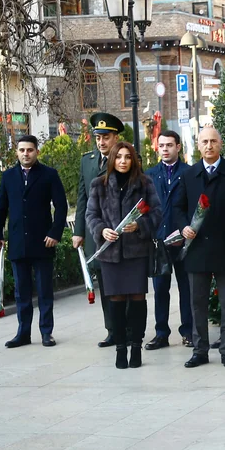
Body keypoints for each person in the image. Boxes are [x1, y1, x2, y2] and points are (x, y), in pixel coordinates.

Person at [174, 126, 225, 368]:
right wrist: (184, 226)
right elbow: (177, 208)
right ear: (198, 145)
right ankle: (200, 350)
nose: (209, 145)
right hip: (196, 249)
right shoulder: (189, 175)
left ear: (221, 145)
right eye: (204, 141)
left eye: (213, 141)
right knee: (197, 303)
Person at [86, 141, 162, 369]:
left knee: (138, 300)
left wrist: (140, 226)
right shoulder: (98, 184)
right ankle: (120, 348)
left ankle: (136, 347)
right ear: (111, 159)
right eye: (118, 157)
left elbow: (157, 213)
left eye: (127, 157)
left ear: (133, 160)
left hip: (136, 253)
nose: (122, 161)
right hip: (110, 255)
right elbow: (91, 214)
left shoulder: (144, 183)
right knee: (116, 302)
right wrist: (101, 230)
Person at [0, 134, 68, 348]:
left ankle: (46, 332)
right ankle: (23, 333)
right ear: (17, 152)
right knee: (21, 292)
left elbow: (61, 207)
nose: (26, 154)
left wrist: (55, 233)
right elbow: (0, 208)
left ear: (37, 152)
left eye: (30, 150)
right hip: (17, 242)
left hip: (43, 242)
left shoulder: (49, 175)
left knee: (44, 291)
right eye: (22, 150)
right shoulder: (8, 177)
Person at [72, 112, 123, 347]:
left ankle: (129, 328)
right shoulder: (87, 160)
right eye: (98, 137)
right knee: (104, 282)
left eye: (106, 136)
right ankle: (112, 329)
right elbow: (82, 198)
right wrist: (78, 231)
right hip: (96, 232)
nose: (101, 142)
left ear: (115, 137)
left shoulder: (126, 158)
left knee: (124, 283)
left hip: (120, 232)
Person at [145, 129, 194, 351]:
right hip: (159, 242)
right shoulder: (149, 175)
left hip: (182, 240)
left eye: (169, 145)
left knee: (187, 287)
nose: (165, 149)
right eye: (161, 145)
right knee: (160, 288)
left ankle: (188, 332)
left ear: (178, 147)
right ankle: (161, 333)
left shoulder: (190, 173)